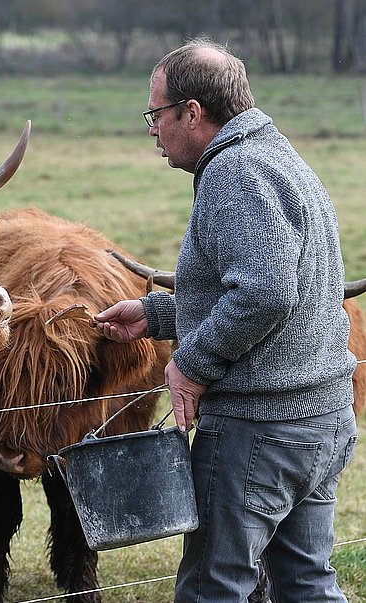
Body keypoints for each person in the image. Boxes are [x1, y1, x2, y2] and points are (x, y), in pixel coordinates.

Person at [93, 38, 358, 602]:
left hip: (258, 431)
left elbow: (264, 293)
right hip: (319, 420)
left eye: (156, 114)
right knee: (306, 581)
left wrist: (190, 364)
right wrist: (158, 313)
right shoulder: (276, 155)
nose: (152, 129)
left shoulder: (234, 173)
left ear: (192, 113)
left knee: (214, 587)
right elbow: (289, 288)